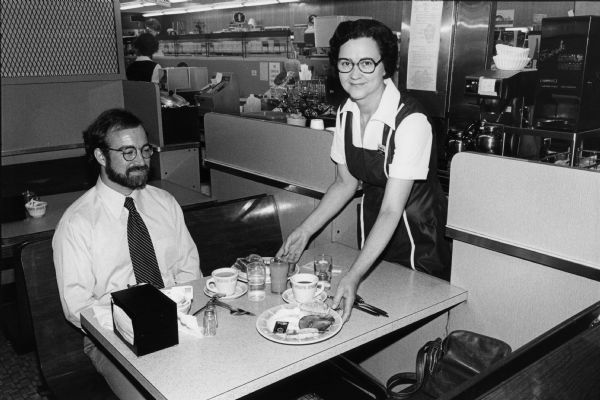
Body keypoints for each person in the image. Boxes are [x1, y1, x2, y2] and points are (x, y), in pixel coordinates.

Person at [276, 19, 451, 322]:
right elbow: (344, 183)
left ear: (386, 67)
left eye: (366, 63)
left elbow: (392, 209)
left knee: (409, 317)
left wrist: (355, 274)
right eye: (346, 63)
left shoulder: (410, 121)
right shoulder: (346, 111)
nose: (355, 74)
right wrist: (305, 230)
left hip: (417, 238)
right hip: (373, 237)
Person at [53, 108, 200, 399]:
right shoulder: (77, 223)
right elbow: (77, 308)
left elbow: (189, 269)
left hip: (178, 320)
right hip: (112, 339)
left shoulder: (165, 203)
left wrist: (176, 315)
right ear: (100, 156)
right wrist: (137, 324)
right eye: (128, 152)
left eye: (145, 150)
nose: (142, 161)